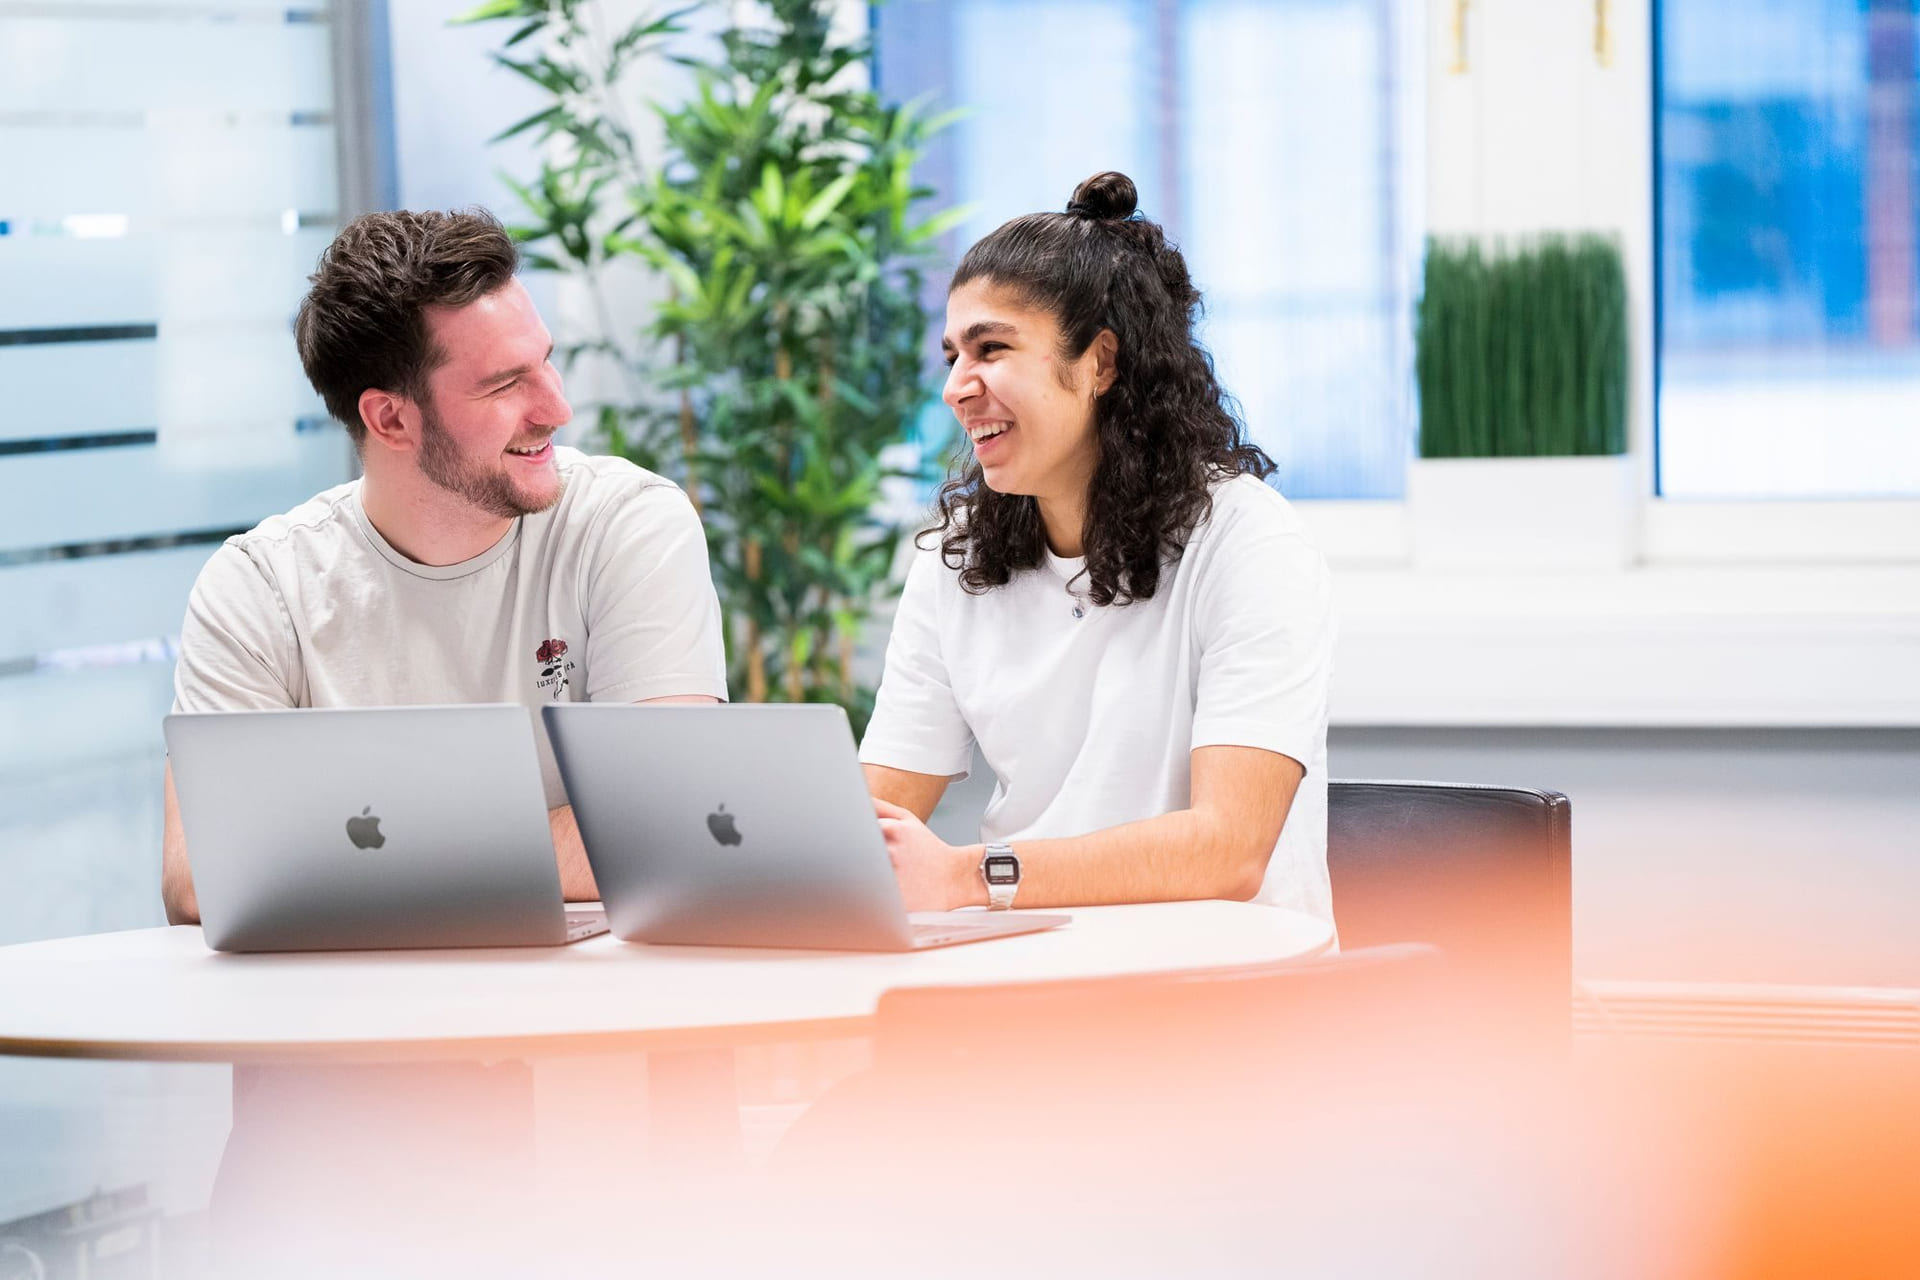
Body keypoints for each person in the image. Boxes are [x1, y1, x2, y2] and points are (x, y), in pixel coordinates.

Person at [161, 208, 726, 924]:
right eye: (504, 384)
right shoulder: (260, 587)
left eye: (546, 360)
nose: (557, 406)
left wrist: (345, 855)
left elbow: (671, 824)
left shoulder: (626, 524)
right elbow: (197, 876)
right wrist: (564, 839)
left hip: (590, 1014)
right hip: (350, 1017)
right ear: (390, 419)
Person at [858, 172, 1335, 922]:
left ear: (1101, 363)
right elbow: (871, 822)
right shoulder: (957, 559)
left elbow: (1229, 851)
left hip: (1229, 999)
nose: (956, 385)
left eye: (991, 348)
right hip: (1028, 981)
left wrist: (968, 877)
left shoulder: (1248, 540)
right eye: (952, 355)